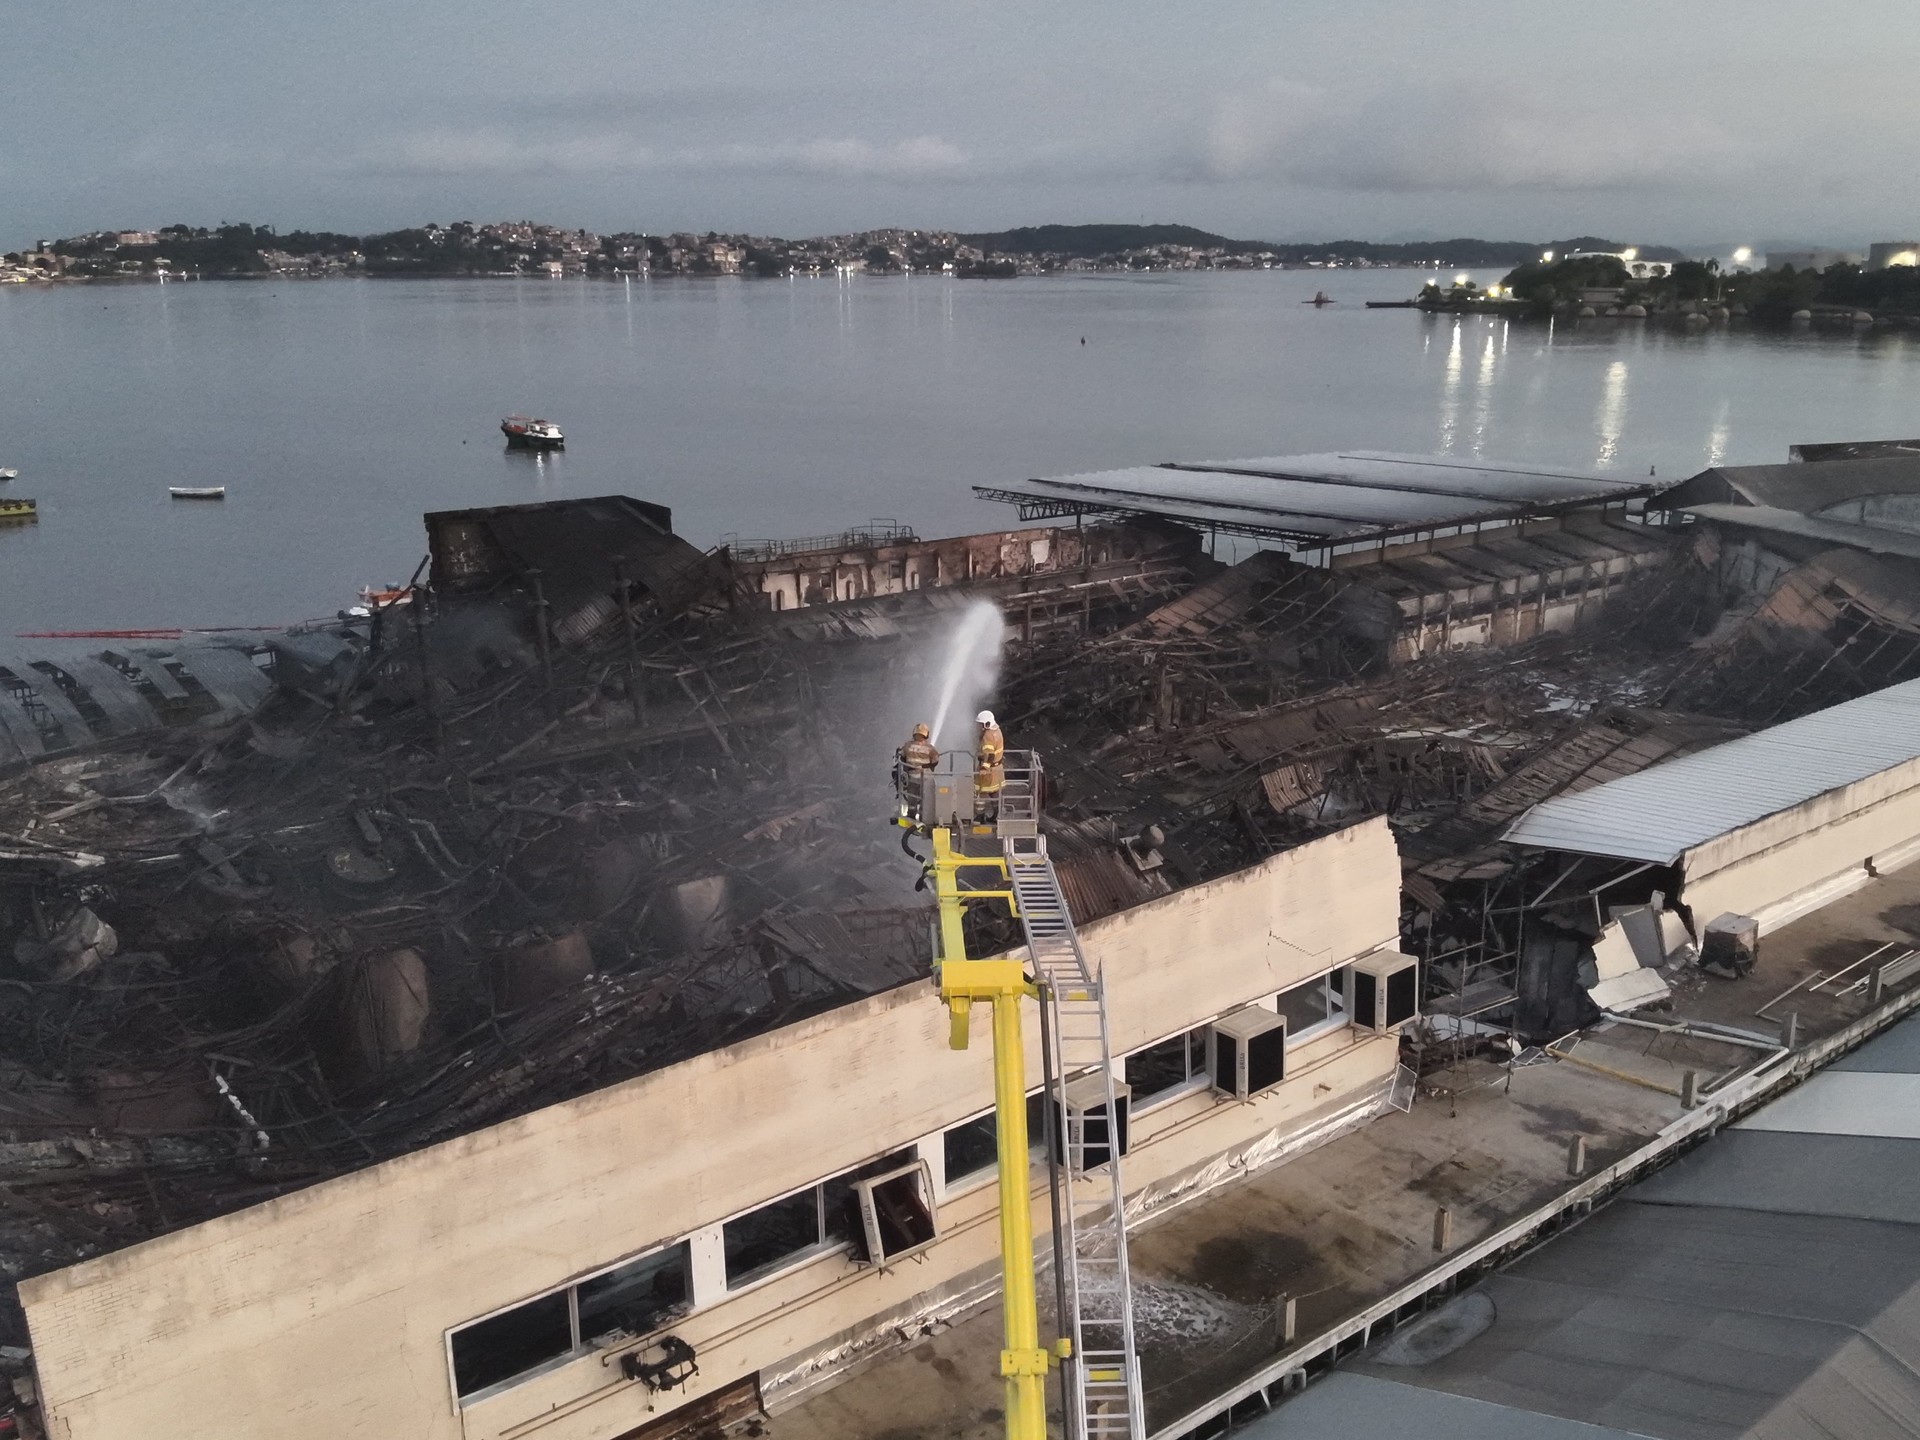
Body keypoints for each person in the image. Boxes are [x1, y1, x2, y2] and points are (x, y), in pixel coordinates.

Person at [896, 722, 938, 818]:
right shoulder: (930, 748)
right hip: (926, 778)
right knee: (926, 797)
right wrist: (927, 766)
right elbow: (935, 760)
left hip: (912, 777)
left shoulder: (907, 746)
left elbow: (901, 757)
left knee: (912, 796)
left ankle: (911, 814)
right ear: (926, 734)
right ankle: (926, 815)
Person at [974, 709, 1005, 815]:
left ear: (987, 724)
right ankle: (998, 814)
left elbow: (990, 754)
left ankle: (980, 815)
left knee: (980, 792)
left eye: (980, 724)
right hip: (997, 769)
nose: (978, 727)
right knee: (994, 792)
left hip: (989, 771)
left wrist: (984, 768)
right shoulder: (997, 731)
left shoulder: (988, 736)